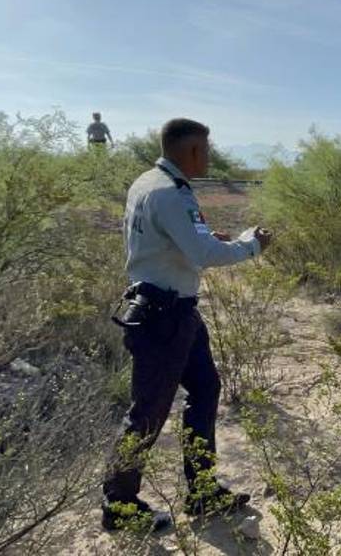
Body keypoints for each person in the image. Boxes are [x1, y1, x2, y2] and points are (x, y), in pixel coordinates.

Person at [100, 118, 273, 532]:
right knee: (148, 412)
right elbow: (204, 255)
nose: (209, 157)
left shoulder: (148, 183)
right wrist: (252, 246)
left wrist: (207, 239)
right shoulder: (172, 194)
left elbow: (171, 241)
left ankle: (202, 490)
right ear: (192, 151)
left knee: (206, 388)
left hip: (174, 311)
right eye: (206, 150)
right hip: (164, 317)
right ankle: (118, 506)